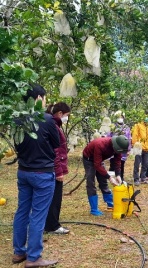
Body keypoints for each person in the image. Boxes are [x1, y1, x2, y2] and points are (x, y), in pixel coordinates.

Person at [12, 84, 60, 267]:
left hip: (24, 171)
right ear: (39, 98)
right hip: (42, 173)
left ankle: (19, 252)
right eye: (45, 97)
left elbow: (17, 145)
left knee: (22, 211)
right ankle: (33, 257)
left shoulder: (16, 119)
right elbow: (56, 143)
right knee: (38, 215)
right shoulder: (47, 119)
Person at [83, 135, 129, 216]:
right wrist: (110, 177)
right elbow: (97, 165)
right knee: (91, 182)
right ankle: (94, 209)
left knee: (103, 182)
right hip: (89, 159)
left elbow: (117, 161)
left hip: (99, 160)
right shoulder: (100, 144)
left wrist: (118, 175)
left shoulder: (118, 147)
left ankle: (110, 203)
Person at [44, 102, 71, 235]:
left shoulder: (51, 124)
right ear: (60, 114)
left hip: (50, 167)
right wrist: (59, 171)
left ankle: (48, 223)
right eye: (66, 115)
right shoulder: (53, 126)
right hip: (54, 168)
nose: (66, 118)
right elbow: (55, 150)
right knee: (55, 197)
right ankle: (53, 225)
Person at [108, 111, 132, 180]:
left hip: (123, 150)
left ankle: (121, 179)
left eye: (121, 117)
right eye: (119, 117)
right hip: (113, 149)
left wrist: (128, 149)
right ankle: (110, 179)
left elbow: (129, 139)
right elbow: (108, 137)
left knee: (121, 165)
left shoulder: (126, 127)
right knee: (112, 165)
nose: (120, 118)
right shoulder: (112, 127)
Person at [131, 117, 148, 186]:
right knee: (137, 164)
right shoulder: (138, 125)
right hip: (139, 147)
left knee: (145, 164)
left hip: (147, 148)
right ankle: (136, 179)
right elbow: (135, 135)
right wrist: (135, 144)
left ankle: (143, 178)